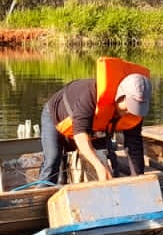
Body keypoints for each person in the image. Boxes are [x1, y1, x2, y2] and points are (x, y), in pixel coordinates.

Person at [38, 57, 151, 185]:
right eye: (128, 107)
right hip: (56, 118)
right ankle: (42, 193)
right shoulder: (89, 96)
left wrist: (138, 180)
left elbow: (134, 146)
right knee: (53, 159)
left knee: (106, 161)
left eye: (136, 108)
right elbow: (80, 136)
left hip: (92, 128)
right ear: (120, 95)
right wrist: (99, 166)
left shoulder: (135, 113)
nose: (130, 112)